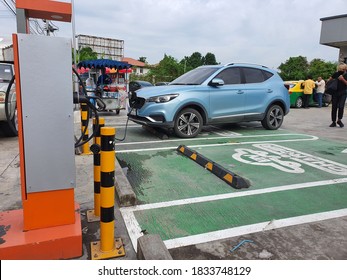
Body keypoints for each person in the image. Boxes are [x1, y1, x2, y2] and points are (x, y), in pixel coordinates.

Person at [329, 63, 347, 128]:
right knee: (334, 107)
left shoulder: (346, 74)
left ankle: (339, 120)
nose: (341, 70)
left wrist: (342, 79)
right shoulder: (336, 74)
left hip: (343, 93)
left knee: (341, 106)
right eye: (340, 69)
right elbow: (329, 80)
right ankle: (333, 121)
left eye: (343, 69)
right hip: (335, 93)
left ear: (345, 69)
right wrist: (332, 80)